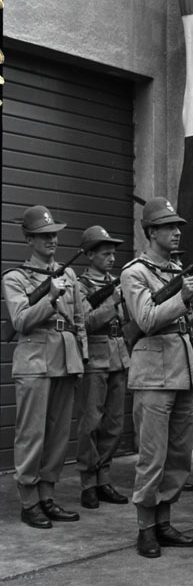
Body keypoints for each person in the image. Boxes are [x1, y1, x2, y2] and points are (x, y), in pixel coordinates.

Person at [120, 197, 193, 558]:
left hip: (183, 369)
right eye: (168, 227)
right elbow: (147, 319)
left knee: (179, 456)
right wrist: (183, 297)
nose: (176, 232)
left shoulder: (176, 269)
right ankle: (145, 528)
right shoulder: (134, 272)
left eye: (177, 226)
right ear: (151, 232)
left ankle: (164, 521)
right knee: (152, 456)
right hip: (153, 373)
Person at [2, 205, 87, 528]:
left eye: (54, 234)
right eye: (43, 236)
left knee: (58, 434)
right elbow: (21, 320)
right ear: (28, 239)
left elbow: (78, 319)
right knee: (32, 434)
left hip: (65, 357)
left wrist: (82, 355)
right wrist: (49, 298)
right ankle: (29, 501)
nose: (52, 240)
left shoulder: (69, 274)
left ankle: (48, 497)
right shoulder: (15, 278)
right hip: (34, 360)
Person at [76, 225, 130, 509]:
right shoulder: (81, 286)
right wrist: (112, 303)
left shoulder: (116, 283)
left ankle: (104, 478)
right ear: (90, 255)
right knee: (91, 423)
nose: (111, 258)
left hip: (118, 356)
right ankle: (88, 482)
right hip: (95, 358)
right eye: (105, 254)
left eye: (112, 254)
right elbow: (85, 322)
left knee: (114, 423)